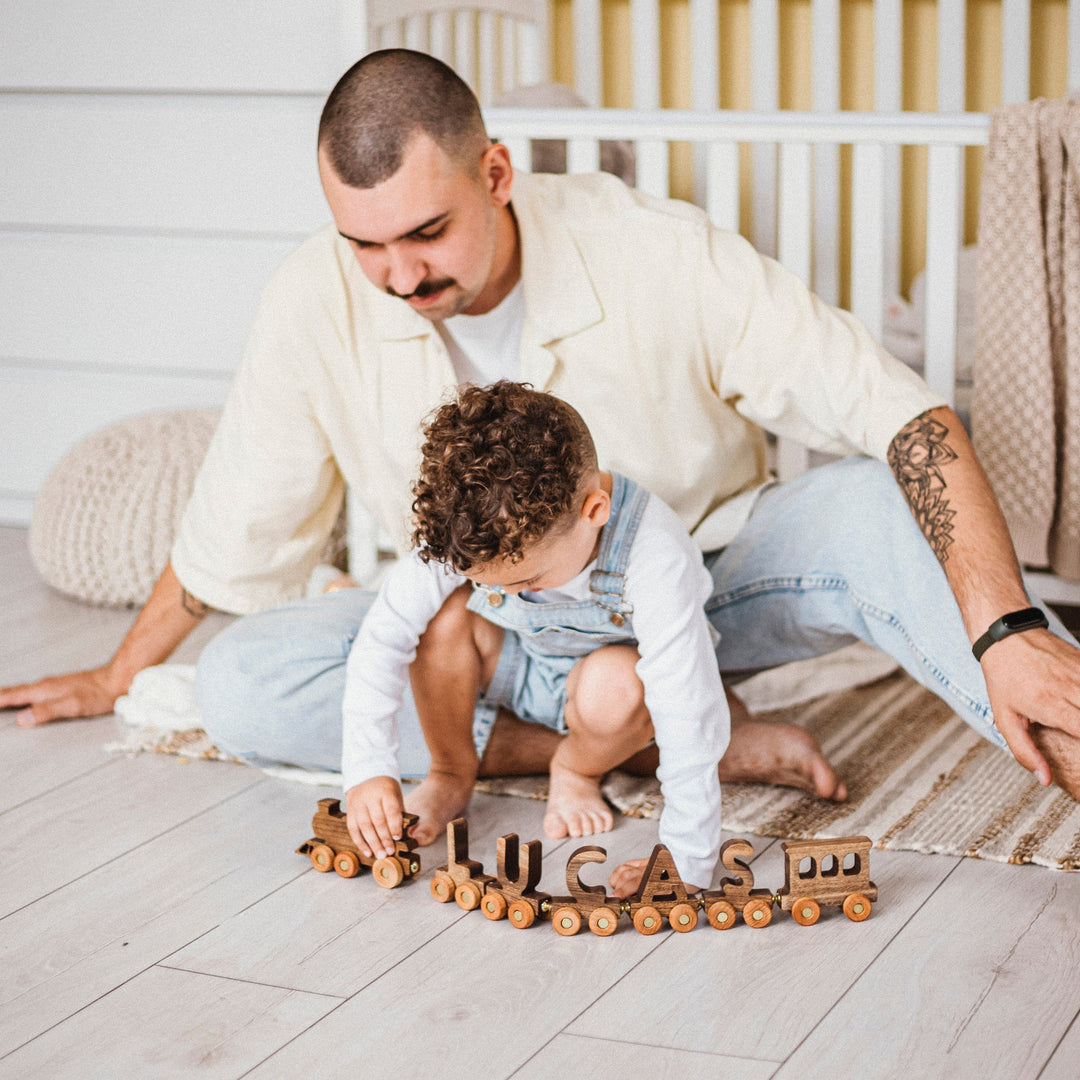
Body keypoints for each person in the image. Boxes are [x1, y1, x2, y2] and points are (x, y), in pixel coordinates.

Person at [3, 48, 1079, 834]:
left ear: (499, 175)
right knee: (239, 685)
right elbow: (238, 511)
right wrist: (117, 674)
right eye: (366, 245)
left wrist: (1008, 631)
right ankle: (642, 741)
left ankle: (1049, 718)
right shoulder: (311, 299)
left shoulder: (652, 247)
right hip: (498, 644)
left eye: (427, 232)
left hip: (699, 594)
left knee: (860, 501)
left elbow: (906, 416)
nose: (401, 277)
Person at [347, 381, 728, 893]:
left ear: (594, 512)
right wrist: (368, 771)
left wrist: (687, 858)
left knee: (620, 683)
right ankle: (450, 773)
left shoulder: (654, 552)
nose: (514, 592)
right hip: (517, 665)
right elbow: (382, 640)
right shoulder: (464, 522)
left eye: (526, 581)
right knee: (441, 616)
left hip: (605, 700)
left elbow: (685, 699)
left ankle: (575, 767)